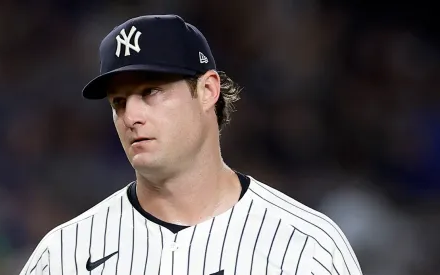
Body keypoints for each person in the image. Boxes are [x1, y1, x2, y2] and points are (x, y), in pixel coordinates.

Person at [19, 14, 363, 275]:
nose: (130, 116)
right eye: (118, 102)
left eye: (150, 92)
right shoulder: (66, 253)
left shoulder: (306, 246)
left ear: (208, 91)